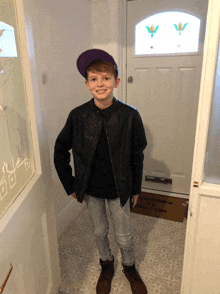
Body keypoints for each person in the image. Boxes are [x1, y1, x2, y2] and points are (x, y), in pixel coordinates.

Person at [54, 49, 148, 294]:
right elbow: (60, 149)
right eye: (94, 79)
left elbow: (137, 155)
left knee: (124, 234)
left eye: (106, 78)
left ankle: (129, 266)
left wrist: (136, 188)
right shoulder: (78, 116)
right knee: (99, 231)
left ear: (116, 82)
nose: (100, 83)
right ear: (87, 85)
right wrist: (71, 185)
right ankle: (106, 264)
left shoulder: (130, 115)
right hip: (91, 189)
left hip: (120, 187)